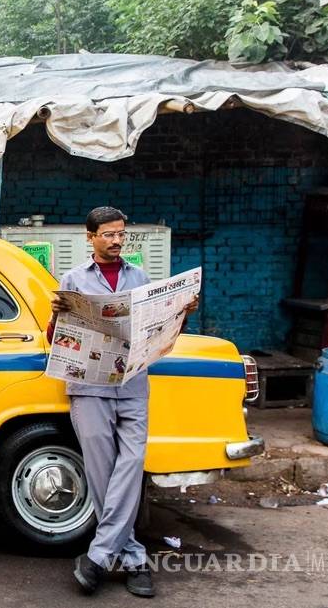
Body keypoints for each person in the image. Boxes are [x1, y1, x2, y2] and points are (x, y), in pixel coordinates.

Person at [48, 207, 198, 598]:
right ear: (90, 237)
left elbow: (158, 334)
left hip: (132, 386)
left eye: (121, 235)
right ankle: (133, 559)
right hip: (90, 388)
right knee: (102, 474)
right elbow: (56, 338)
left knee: (131, 467)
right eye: (109, 235)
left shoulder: (141, 278)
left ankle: (97, 557)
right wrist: (57, 317)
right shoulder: (73, 279)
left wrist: (180, 313)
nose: (117, 241)